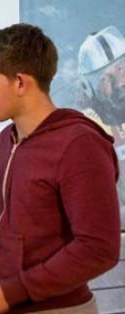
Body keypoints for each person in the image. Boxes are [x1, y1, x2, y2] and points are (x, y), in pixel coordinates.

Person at [0, 23, 120, 314]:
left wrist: (9, 292)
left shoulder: (79, 145)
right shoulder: (5, 141)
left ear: (19, 82)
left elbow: (99, 248)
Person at [77, 25, 125, 222]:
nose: (120, 83)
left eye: (122, 68)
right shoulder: (84, 129)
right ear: (91, 85)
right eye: (107, 76)